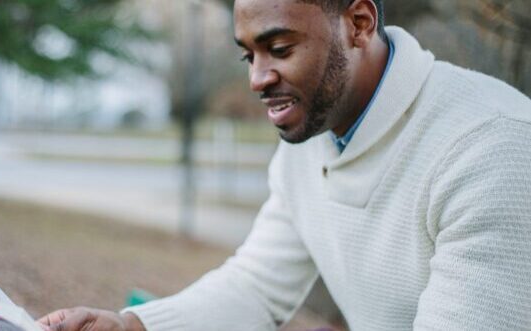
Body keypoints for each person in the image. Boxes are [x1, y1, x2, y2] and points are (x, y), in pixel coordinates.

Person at [38, 0, 531, 330]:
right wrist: (132, 326)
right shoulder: (312, 138)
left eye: (278, 49)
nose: (257, 78)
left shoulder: (490, 147)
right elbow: (257, 286)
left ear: (359, 23)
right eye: (247, 55)